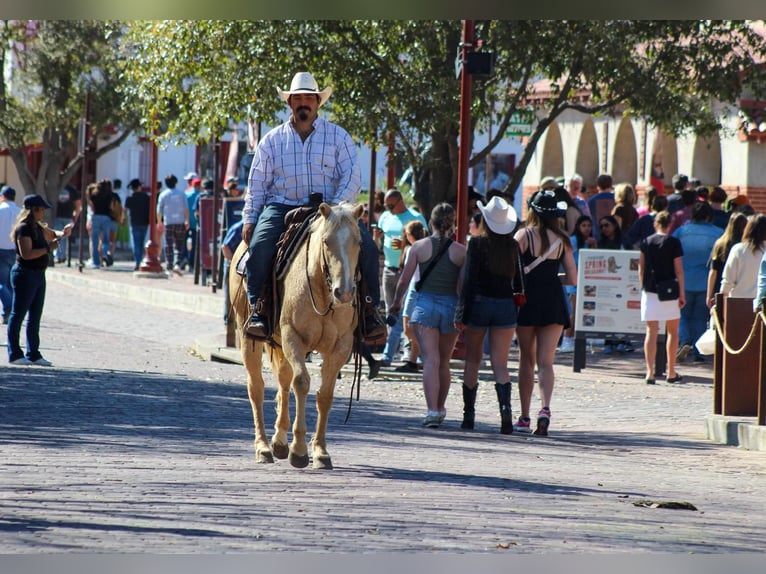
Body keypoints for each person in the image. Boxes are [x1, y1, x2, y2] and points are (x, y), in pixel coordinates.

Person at [242, 72, 363, 339]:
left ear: (319, 102)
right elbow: (258, 183)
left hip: (329, 209)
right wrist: (250, 218)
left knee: (364, 245)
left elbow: (352, 175)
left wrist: (337, 209)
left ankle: (370, 311)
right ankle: (258, 310)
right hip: (282, 206)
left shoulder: (339, 137)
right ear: (290, 103)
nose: (304, 102)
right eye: (298, 98)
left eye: (309, 97)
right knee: (260, 247)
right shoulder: (272, 140)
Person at [389, 203, 466, 428]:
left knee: (430, 360)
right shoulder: (461, 251)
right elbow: (463, 286)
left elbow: (404, 279)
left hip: (425, 307)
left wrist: (396, 303)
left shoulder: (419, 247)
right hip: (451, 307)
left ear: (430, 222)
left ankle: (432, 410)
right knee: (444, 361)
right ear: (452, 224)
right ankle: (441, 408)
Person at [513, 190, 577, 435]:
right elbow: (572, 277)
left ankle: (525, 416)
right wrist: (552, 278)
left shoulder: (523, 235)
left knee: (526, 359)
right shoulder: (563, 240)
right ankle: (545, 409)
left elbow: (513, 269)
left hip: (527, 300)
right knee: (546, 362)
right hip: (553, 300)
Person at [454, 196, 519, 433]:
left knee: (473, 359)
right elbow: (519, 281)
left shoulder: (478, 244)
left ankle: (468, 415)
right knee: (500, 363)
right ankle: (506, 415)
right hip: (505, 306)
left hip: (480, 304)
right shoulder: (512, 246)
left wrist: (461, 312)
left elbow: (469, 280)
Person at [7, 194, 72, 365]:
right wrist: (48, 249)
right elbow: (26, 254)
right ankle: (14, 353)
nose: (43, 212)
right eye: (41, 209)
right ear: (32, 210)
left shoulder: (38, 226)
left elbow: (52, 234)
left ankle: (33, 353)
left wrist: (63, 233)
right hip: (25, 273)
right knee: (18, 314)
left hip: (38, 274)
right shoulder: (23, 228)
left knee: (35, 315)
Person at [373, 188, 428, 366]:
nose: (387, 208)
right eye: (385, 205)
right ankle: (392, 352)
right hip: (389, 269)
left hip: (410, 273)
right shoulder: (385, 217)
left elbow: (425, 243)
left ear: (400, 201)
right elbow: (379, 244)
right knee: (391, 312)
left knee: (407, 314)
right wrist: (377, 239)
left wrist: (404, 245)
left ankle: (408, 352)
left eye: (390, 205)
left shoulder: (416, 217)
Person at [638, 210, 685, 384]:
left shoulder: (646, 242)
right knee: (672, 332)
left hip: (650, 290)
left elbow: (641, 268)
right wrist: (682, 293)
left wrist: (643, 286)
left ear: (655, 224)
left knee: (651, 331)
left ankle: (650, 372)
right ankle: (670, 371)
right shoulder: (674, 242)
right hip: (670, 291)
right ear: (670, 224)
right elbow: (678, 270)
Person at [672, 202, 722, 363]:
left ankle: (685, 341)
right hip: (705, 281)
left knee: (682, 315)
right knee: (701, 318)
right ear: (709, 216)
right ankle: (699, 350)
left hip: (684, 280)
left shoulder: (681, 232)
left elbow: (672, 252)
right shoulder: (717, 234)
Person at [560, 214, 596, 352]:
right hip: (574, 279)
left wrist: (594, 245)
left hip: (587, 280)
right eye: (583, 225)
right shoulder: (573, 240)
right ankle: (567, 339)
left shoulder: (590, 241)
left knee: (584, 311)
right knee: (573, 311)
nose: (587, 228)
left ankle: (579, 338)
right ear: (578, 227)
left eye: (589, 226)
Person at [395, 219, 427, 373]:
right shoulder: (425, 247)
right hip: (421, 288)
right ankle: (413, 360)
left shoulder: (412, 249)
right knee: (413, 327)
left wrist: (398, 298)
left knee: (408, 328)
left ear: (409, 234)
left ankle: (424, 352)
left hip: (414, 288)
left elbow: (406, 276)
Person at [719, 214, 766, 300]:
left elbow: (728, 279)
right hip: (762, 303)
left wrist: (722, 296)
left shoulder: (738, 249)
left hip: (738, 302)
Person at [706, 212, 747, 309]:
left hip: (721, 288)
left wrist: (709, 295)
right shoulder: (746, 247)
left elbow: (713, 271)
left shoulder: (720, 244)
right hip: (742, 289)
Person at [157, 173, 190, 275]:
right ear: (176, 182)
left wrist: (159, 222)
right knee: (179, 244)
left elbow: (159, 210)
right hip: (180, 221)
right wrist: (187, 220)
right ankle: (177, 264)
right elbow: (186, 209)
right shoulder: (181, 193)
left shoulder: (163, 194)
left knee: (168, 244)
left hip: (168, 222)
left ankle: (169, 266)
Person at [0, 186, 21, 324]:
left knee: (2, 283)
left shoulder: (1, 210)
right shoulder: (20, 212)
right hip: (15, 250)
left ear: (3, 196)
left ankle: (8, 307)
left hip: (1, 249)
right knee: (11, 282)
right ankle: (11, 310)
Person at [85, 179, 117, 269]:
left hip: (96, 217)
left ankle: (96, 263)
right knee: (106, 240)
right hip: (106, 217)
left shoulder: (94, 194)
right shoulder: (110, 195)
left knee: (94, 240)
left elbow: (91, 205)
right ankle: (104, 253)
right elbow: (111, 206)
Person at [124, 178, 150, 270]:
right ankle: (140, 260)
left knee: (136, 243)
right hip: (144, 222)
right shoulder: (146, 197)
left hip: (134, 222)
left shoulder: (130, 198)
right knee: (141, 242)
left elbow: (125, 210)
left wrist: (123, 219)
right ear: (139, 187)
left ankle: (138, 261)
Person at [53, 184, 81, 263]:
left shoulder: (57, 188)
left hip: (62, 216)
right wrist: (76, 216)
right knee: (62, 237)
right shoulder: (71, 189)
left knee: (60, 236)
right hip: (65, 216)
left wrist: (75, 217)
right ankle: (61, 256)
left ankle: (60, 256)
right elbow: (78, 205)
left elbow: (78, 204)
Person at [587, 173, 615, 241]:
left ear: (598, 185)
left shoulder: (591, 201)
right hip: (614, 235)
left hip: (597, 235)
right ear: (611, 185)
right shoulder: (617, 199)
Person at [185, 177, 202, 272]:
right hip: (197, 224)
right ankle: (193, 263)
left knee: (184, 243)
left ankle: (186, 260)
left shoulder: (187, 195)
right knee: (195, 245)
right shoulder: (200, 196)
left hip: (187, 222)